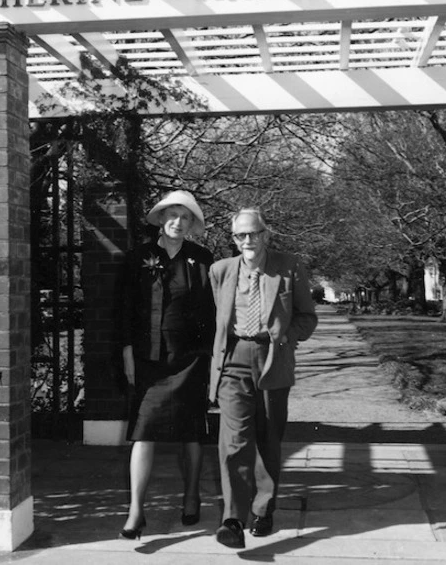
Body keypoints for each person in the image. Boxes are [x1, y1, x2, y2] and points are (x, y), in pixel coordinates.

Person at [208, 208, 317, 548]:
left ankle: (263, 508)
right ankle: (233, 520)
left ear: (266, 234)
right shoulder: (221, 271)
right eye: (240, 235)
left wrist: (284, 336)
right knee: (235, 439)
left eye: (253, 233)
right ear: (234, 239)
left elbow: (307, 318)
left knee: (269, 437)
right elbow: (220, 319)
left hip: (273, 358)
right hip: (234, 360)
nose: (247, 241)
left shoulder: (289, 267)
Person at [118, 190, 215, 540]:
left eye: (184, 216)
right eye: (171, 215)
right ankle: (135, 512)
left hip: (190, 360)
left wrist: (209, 357)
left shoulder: (202, 259)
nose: (177, 221)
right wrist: (128, 351)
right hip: (149, 359)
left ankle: (191, 497)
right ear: (160, 219)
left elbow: (211, 313)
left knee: (191, 432)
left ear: (191, 223)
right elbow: (125, 308)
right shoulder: (138, 257)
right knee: (142, 432)